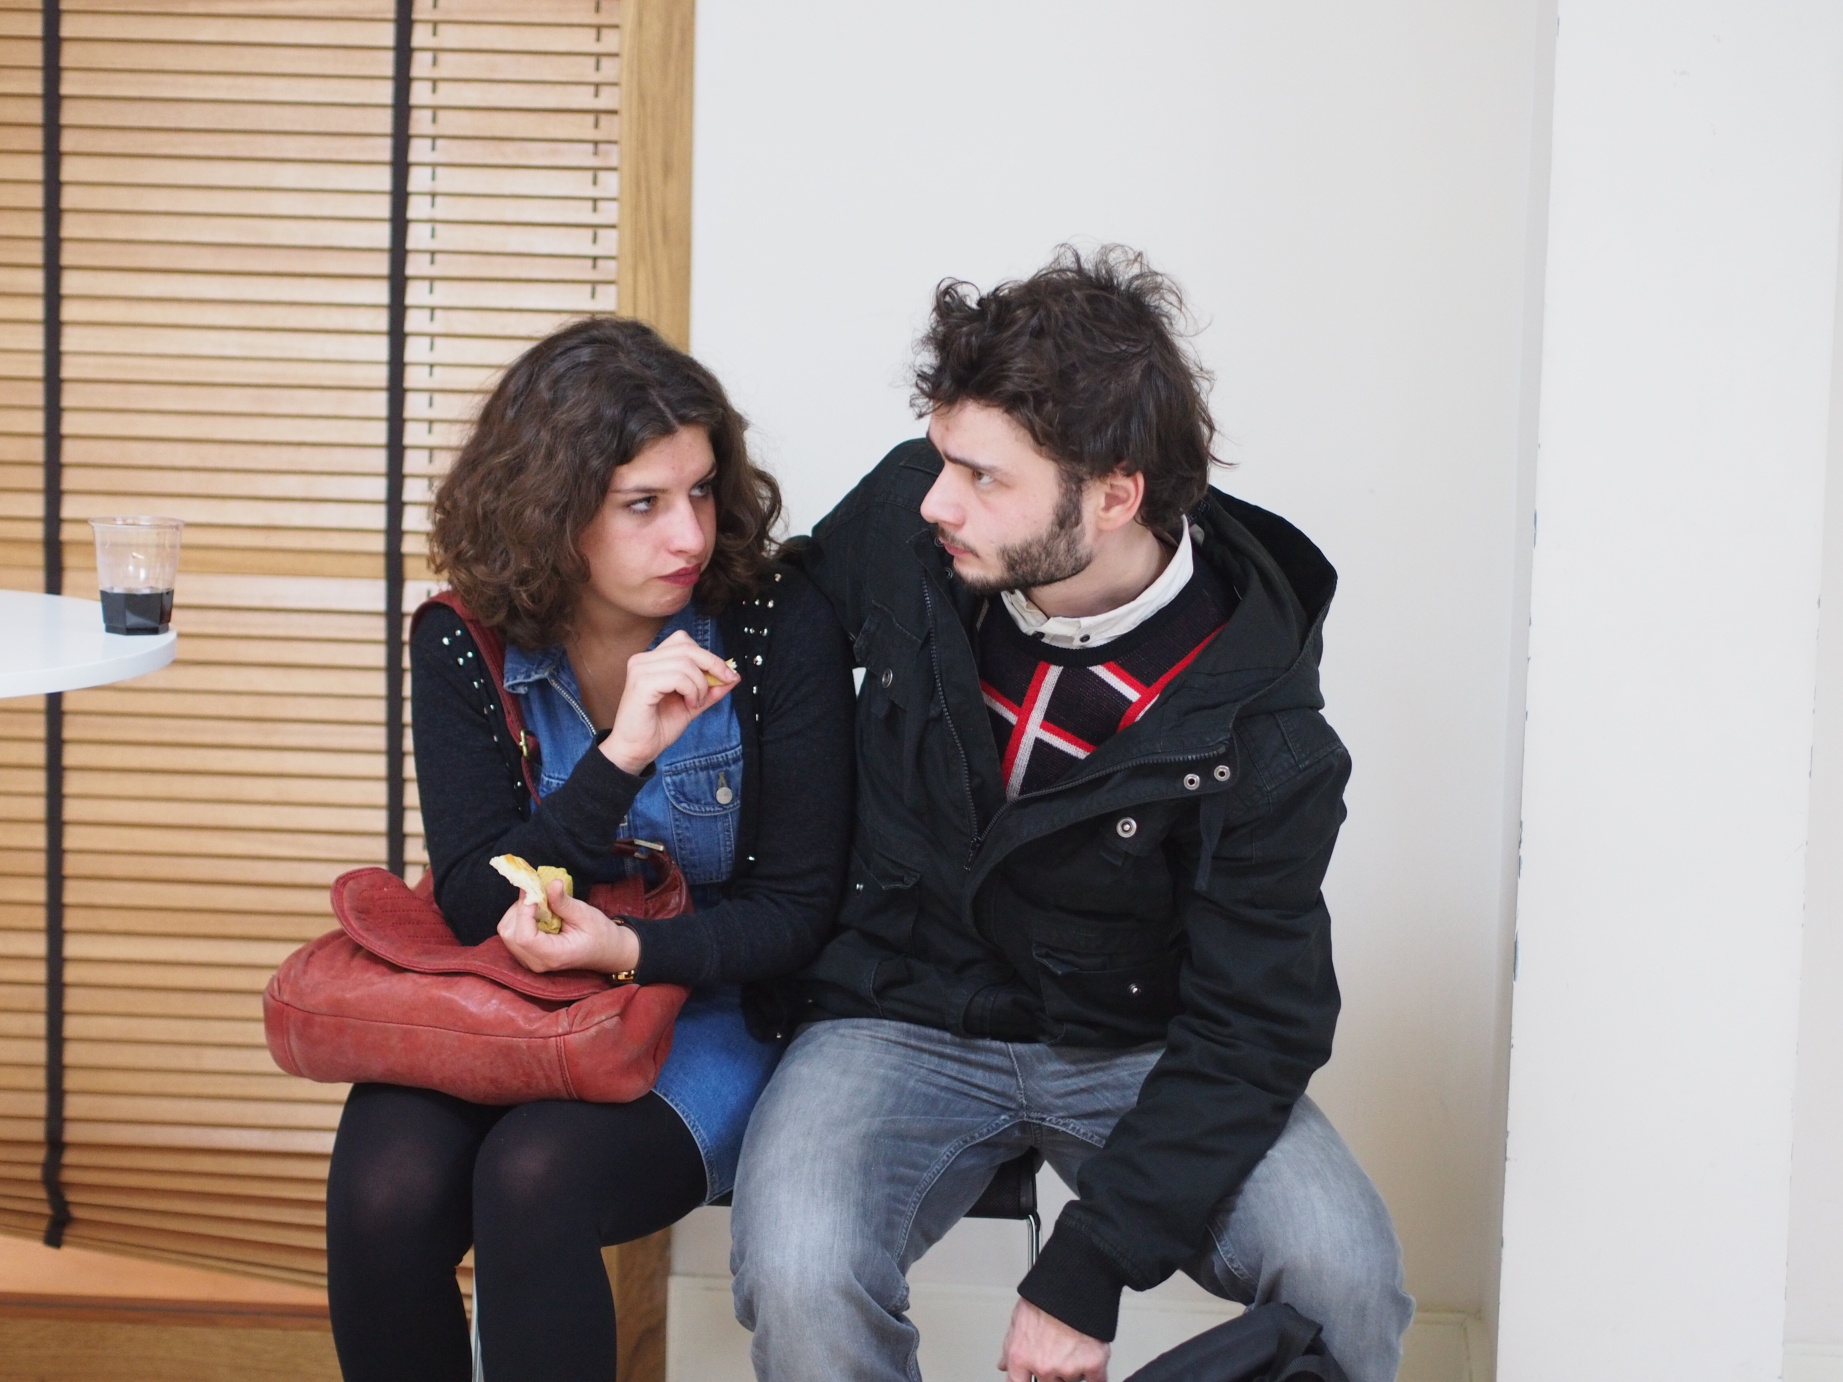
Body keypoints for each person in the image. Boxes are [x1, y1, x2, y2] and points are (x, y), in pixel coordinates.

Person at [730, 248, 1414, 1382]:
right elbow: (775, 628)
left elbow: (1257, 1027)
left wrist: (1089, 1265)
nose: (937, 498)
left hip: (1142, 1043)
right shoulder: (911, 525)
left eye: (983, 477)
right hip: (897, 1008)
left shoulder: (1262, 725)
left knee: (1344, 1271)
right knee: (801, 1270)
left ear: (1112, 495)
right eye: (942, 456)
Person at [323, 317, 855, 1382]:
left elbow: (797, 914)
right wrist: (620, 757)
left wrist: (627, 950)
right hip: (513, 993)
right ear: (551, 508)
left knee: (534, 1178)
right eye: (641, 503)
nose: (688, 534)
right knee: (383, 1188)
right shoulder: (463, 637)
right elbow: (474, 903)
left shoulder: (770, 622)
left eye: (701, 490)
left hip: (709, 1000)